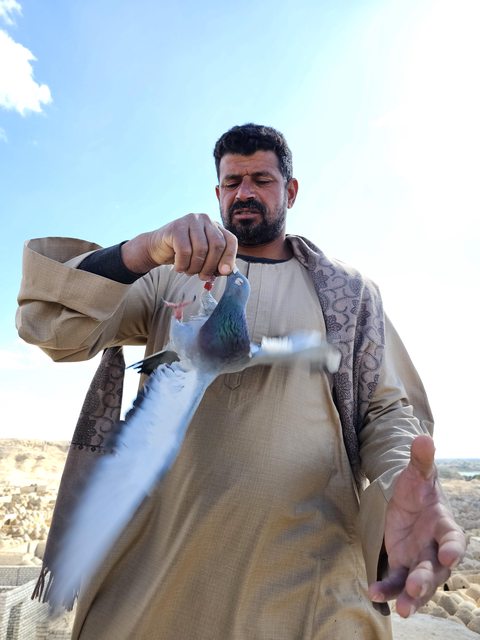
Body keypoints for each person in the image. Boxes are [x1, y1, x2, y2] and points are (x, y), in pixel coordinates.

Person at [16, 123, 465, 639]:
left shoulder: (350, 294)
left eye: (261, 180)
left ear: (290, 190)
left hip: (308, 579)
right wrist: (142, 250)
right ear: (217, 193)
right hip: (156, 575)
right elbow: (52, 327)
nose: (244, 192)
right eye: (232, 182)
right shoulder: (168, 276)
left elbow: (388, 413)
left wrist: (401, 480)